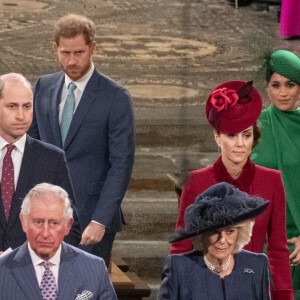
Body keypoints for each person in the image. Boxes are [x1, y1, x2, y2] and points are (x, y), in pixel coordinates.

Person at [28, 14, 135, 266]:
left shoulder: (116, 97)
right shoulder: (43, 86)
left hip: (91, 224)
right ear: (55, 49)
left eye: (79, 52)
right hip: (45, 220)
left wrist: (100, 220)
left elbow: (121, 164)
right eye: (65, 53)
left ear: (93, 48)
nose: (72, 61)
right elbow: (31, 150)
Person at [170, 80, 293, 299]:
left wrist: (284, 295)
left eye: (246, 135)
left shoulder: (272, 181)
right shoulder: (196, 183)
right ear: (217, 138)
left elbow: (277, 250)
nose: (240, 143)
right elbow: (181, 248)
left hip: (255, 290)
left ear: (254, 138)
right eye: (231, 135)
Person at [0, 73, 81, 253]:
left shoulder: (52, 159)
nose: (21, 115)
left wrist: (35, 257)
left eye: (27, 106)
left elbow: (70, 228)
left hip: (33, 275)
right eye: (12, 106)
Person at [0, 183, 117, 299]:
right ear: (24, 222)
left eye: (54, 223)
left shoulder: (95, 268)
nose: (45, 233)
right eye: (38, 222)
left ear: (68, 226)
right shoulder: (2, 270)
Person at [159, 182, 271, 300]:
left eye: (230, 231)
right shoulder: (179, 267)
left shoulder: (257, 264)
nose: (222, 240)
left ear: (240, 233)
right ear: (201, 235)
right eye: (214, 231)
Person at [251, 49, 300, 295]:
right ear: (267, 88)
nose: (283, 92)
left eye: (290, 85)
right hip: (259, 239)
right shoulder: (253, 128)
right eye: (276, 84)